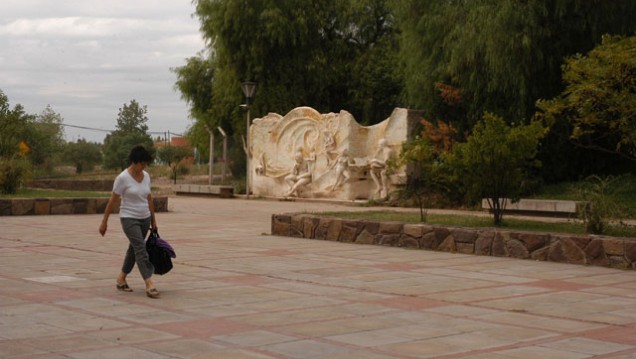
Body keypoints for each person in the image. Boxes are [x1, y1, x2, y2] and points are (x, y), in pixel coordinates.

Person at [99, 145, 160, 298]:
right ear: (135, 161)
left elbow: (149, 198)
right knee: (140, 248)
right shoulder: (122, 178)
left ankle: (121, 279)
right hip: (128, 218)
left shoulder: (146, 176)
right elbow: (112, 201)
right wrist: (104, 222)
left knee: (134, 249)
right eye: (142, 163)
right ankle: (149, 283)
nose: (144, 166)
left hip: (144, 217)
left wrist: (154, 221)